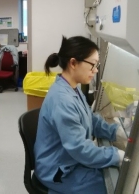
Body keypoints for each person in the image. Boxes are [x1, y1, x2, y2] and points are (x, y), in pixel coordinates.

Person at [34, 36, 126, 194]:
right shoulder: (62, 100)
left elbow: (90, 118)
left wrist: (115, 132)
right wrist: (116, 155)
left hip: (68, 160)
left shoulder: (72, 88)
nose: (95, 70)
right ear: (73, 63)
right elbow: (81, 149)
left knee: (110, 173)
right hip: (57, 171)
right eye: (93, 65)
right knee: (115, 186)